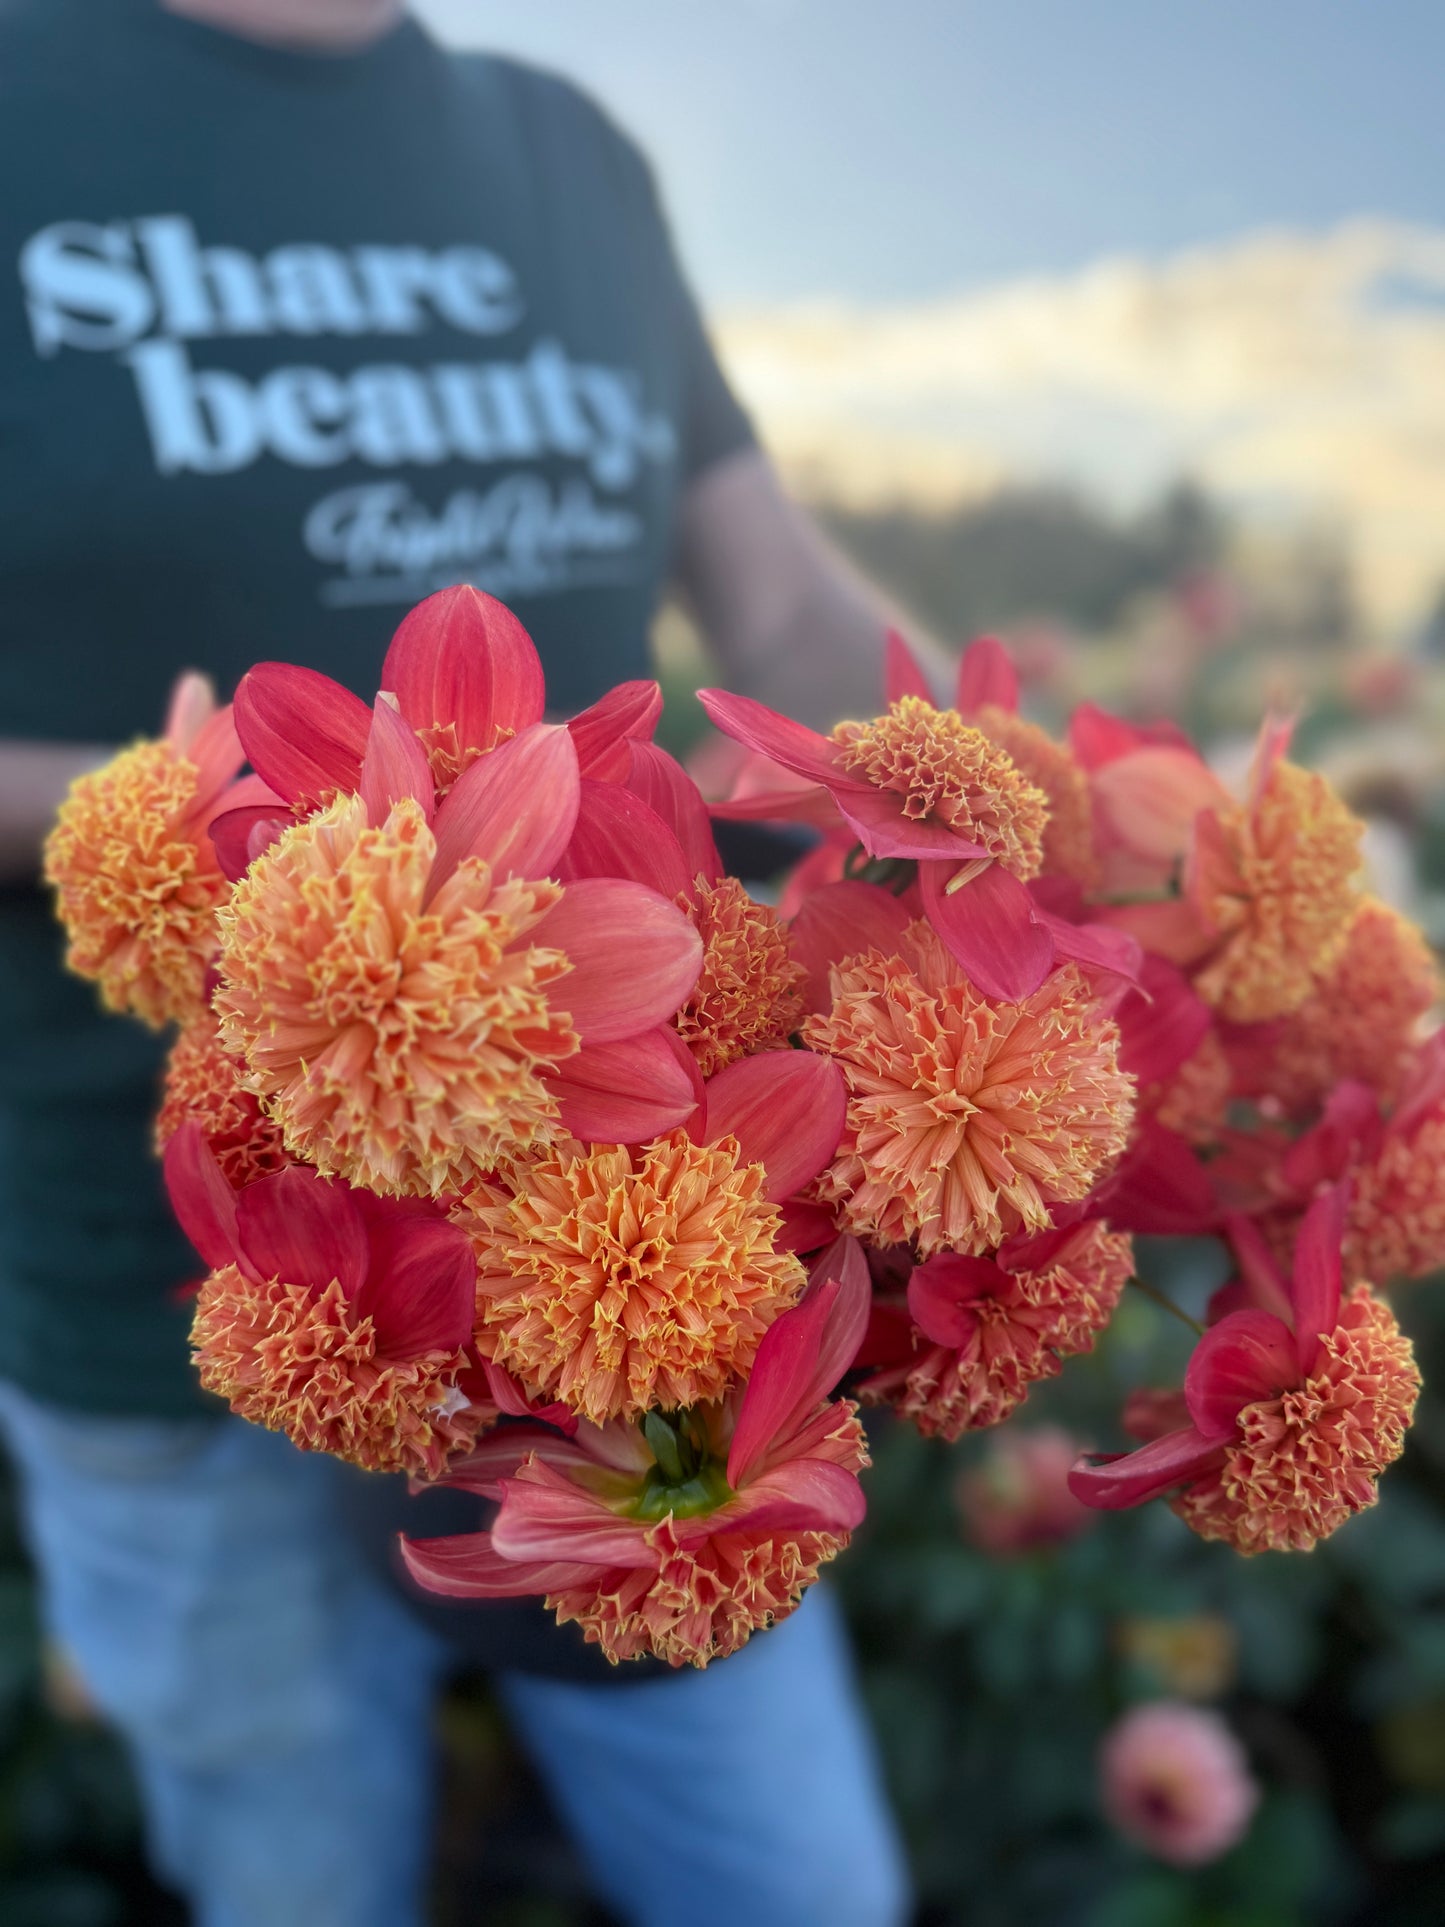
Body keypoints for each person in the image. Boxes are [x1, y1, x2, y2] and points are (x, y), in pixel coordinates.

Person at [0, 3, 928, 1922]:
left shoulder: (566, 151)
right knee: (292, 1880)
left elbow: (778, 602)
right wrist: (218, 831)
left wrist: (1000, 796)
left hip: (640, 1262)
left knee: (801, 1887)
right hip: (165, 1288)